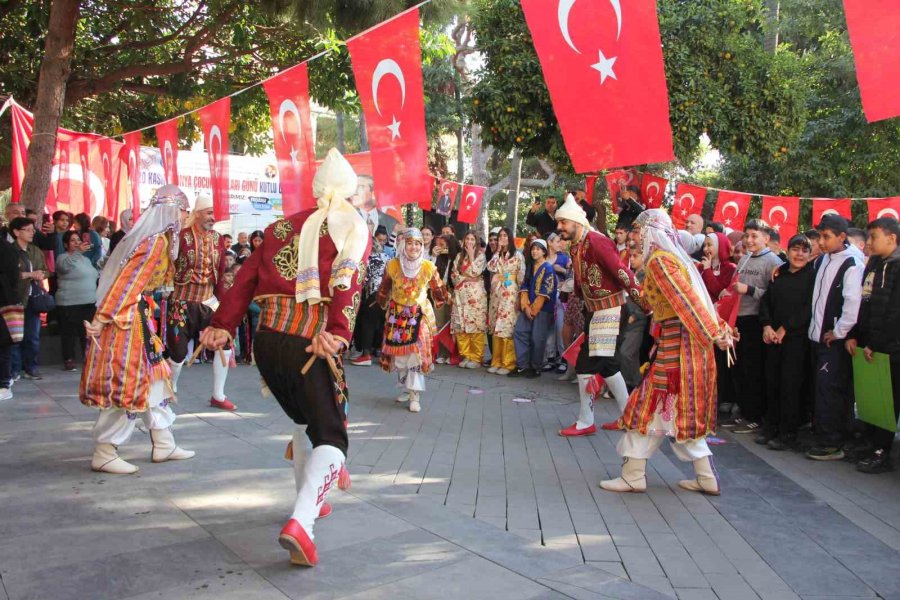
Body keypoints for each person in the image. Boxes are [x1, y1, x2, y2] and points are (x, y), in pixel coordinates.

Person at [201, 148, 369, 566]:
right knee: (332, 437)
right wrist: (339, 334)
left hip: (267, 342)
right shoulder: (350, 224)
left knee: (302, 420)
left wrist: (224, 322)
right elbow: (349, 281)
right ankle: (302, 522)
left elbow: (245, 279)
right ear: (349, 192)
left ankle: (308, 502)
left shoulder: (278, 228)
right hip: (310, 343)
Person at [602, 209, 732, 495]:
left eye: (639, 232)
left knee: (646, 409)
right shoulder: (673, 261)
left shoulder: (661, 262)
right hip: (686, 350)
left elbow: (687, 303)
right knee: (676, 414)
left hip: (677, 350)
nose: (635, 238)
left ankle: (633, 475)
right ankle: (705, 477)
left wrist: (714, 331)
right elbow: (688, 300)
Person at [81, 184, 195, 474]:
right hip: (125, 322)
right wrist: (103, 318)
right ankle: (105, 450)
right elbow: (127, 283)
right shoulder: (155, 242)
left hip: (138, 318)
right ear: (171, 211)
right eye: (183, 210)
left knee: (154, 381)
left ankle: (164, 442)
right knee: (128, 383)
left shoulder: (155, 239)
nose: (185, 216)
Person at [554, 195, 643, 437]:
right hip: (597, 309)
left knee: (586, 363)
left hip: (611, 309)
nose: (559, 227)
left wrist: (644, 300)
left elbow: (621, 271)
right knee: (608, 365)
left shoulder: (596, 241)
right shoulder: (578, 244)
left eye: (563, 222)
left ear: (576, 222)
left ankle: (586, 421)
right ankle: (628, 416)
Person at [165, 196, 234, 411]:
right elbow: (168, 265)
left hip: (208, 301)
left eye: (213, 213)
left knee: (224, 343)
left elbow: (221, 272)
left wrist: (223, 303)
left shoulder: (218, 239)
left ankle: (218, 394)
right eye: (209, 213)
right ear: (197, 214)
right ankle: (170, 389)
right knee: (177, 351)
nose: (213, 218)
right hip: (182, 302)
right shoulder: (180, 237)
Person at [805, 214, 863, 461]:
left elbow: (853, 303)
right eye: (820, 236)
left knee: (831, 390)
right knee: (822, 388)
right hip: (817, 336)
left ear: (842, 236)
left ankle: (833, 442)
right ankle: (825, 433)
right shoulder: (823, 260)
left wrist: (839, 332)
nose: (821, 241)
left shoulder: (852, 264)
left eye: (827, 237)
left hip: (834, 341)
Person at [848, 217, 900, 473]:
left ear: (892, 238)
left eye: (874, 238)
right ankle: (870, 444)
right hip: (870, 343)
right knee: (873, 398)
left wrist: (877, 343)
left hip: (891, 348)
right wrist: (858, 335)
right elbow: (865, 302)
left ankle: (882, 451)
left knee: (889, 402)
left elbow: (894, 313)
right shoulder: (876, 262)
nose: (868, 243)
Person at [723, 220, 784, 434]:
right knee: (739, 369)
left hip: (756, 320)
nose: (749, 240)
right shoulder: (745, 258)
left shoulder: (773, 261)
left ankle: (755, 416)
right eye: (747, 236)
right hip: (737, 319)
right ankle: (744, 411)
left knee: (754, 370)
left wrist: (748, 289)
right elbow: (733, 285)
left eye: (754, 236)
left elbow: (773, 296)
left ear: (766, 238)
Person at [378, 228, 447, 413]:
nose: (414, 247)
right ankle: (406, 388)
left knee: (416, 354)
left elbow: (438, 288)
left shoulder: (428, 267)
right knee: (400, 357)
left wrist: (443, 298)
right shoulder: (392, 265)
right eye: (410, 243)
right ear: (403, 244)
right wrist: (381, 300)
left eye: (418, 243)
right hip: (397, 315)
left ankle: (415, 394)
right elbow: (384, 287)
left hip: (419, 315)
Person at [757, 234, 815, 450]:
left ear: (810, 254)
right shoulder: (779, 274)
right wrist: (767, 325)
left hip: (796, 341)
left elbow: (808, 308)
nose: (799, 254)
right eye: (795, 249)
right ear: (787, 251)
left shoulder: (812, 277)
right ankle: (771, 426)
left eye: (804, 250)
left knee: (790, 386)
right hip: (773, 339)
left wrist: (786, 328)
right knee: (772, 383)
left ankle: (787, 432)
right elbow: (766, 302)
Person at [9, 217, 48, 381]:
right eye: (28, 229)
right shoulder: (9, 251)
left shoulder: (35, 251)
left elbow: (46, 270)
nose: (32, 233)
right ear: (17, 232)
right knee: (15, 337)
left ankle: (30, 367)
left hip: (33, 297)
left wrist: (41, 274)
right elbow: (9, 274)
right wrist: (29, 274)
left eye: (33, 229)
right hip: (15, 298)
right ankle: (15, 369)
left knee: (33, 336)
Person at [512, 238, 556, 378]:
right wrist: (525, 307)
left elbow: (545, 291)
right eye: (533, 249)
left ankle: (535, 367)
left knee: (537, 338)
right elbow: (524, 287)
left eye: (538, 249)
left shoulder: (548, 268)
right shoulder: (530, 267)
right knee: (520, 332)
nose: (534, 251)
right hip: (528, 308)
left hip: (542, 310)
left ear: (544, 252)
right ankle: (522, 365)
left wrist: (534, 309)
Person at [56, 231, 99, 372]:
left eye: (78, 240)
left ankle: (89, 357)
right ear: (65, 244)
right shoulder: (62, 258)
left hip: (88, 302)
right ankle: (69, 359)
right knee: (69, 334)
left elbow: (94, 274)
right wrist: (77, 253)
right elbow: (64, 267)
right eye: (72, 240)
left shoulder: (85, 260)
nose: (76, 243)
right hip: (69, 302)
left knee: (86, 333)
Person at [487, 227, 525, 375]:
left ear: (510, 238)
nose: (502, 238)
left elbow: (521, 277)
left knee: (507, 327)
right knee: (496, 326)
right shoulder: (497, 255)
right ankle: (496, 361)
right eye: (500, 236)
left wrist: (520, 297)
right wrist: (497, 251)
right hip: (497, 293)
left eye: (504, 236)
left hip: (511, 294)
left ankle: (508, 363)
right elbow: (490, 267)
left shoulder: (517, 256)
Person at [351, 235, 389, 366]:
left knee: (368, 324)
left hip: (373, 294)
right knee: (382, 325)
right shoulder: (385, 256)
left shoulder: (366, 259)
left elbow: (364, 279)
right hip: (387, 294)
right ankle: (384, 354)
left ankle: (366, 355)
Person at [451, 231, 488, 369]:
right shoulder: (459, 256)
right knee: (461, 326)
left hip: (475, 296)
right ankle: (466, 355)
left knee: (475, 325)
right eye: (467, 239)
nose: (470, 242)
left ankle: (476, 358)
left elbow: (476, 273)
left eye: (472, 239)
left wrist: (472, 257)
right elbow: (454, 275)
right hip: (460, 295)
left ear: (476, 242)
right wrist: (466, 278)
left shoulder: (481, 256)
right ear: (464, 241)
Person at [431, 234, 459, 364]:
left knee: (452, 324)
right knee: (440, 323)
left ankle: (452, 353)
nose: (441, 247)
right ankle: (441, 353)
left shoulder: (458, 258)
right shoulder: (439, 259)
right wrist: (434, 256)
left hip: (454, 292)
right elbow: (430, 273)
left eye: (443, 245)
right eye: (439, 245)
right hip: (440, 293)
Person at [0, 236, 20, 401]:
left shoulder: (5, 248)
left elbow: (14, 277)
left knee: (3, 345)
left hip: (3, 301)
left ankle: (4, 383)